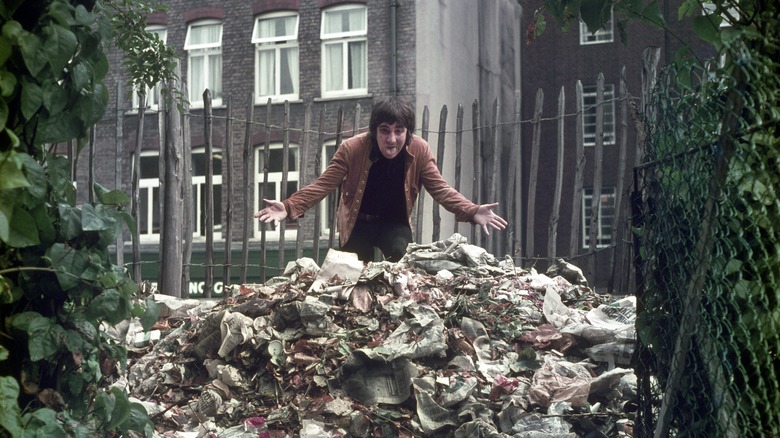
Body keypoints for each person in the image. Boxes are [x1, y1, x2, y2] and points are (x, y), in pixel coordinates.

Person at [254, 96, 507, 262]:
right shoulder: (352, 149)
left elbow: (440, 189)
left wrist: (471, 210)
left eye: (399, 131)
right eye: (385, 131)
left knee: (401, 259)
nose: (392, 139)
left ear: (407, 133)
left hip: (393, 222)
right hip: (357, 222)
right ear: (374, 131)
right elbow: (323, 184)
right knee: (353, 275)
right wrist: (288, 207)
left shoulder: (419, 150)